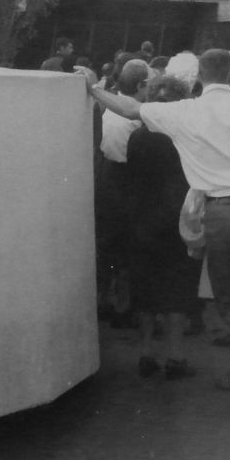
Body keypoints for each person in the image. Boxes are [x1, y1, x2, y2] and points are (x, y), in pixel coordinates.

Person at [89, 49, 230, 421]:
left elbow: (129, 109)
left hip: (218, 215)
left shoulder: (185, 112)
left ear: (200, 76)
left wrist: (93, 88)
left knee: (225, 300)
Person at [124, 76, 201, 381]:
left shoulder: (138, 137)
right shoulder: (185, 137)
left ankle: (146, 353)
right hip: (178, 221)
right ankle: (175, 357)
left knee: (145, 292)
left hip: (142, 222)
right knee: (178, 292)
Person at [97, 58, 152, 327]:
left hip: (108, 177)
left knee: (108, 247)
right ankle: (122, 306)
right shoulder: (137, 114)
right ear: (141, 85)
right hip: (128, 180)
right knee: (127, 251)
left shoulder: (109, 106)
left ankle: (104, 301)